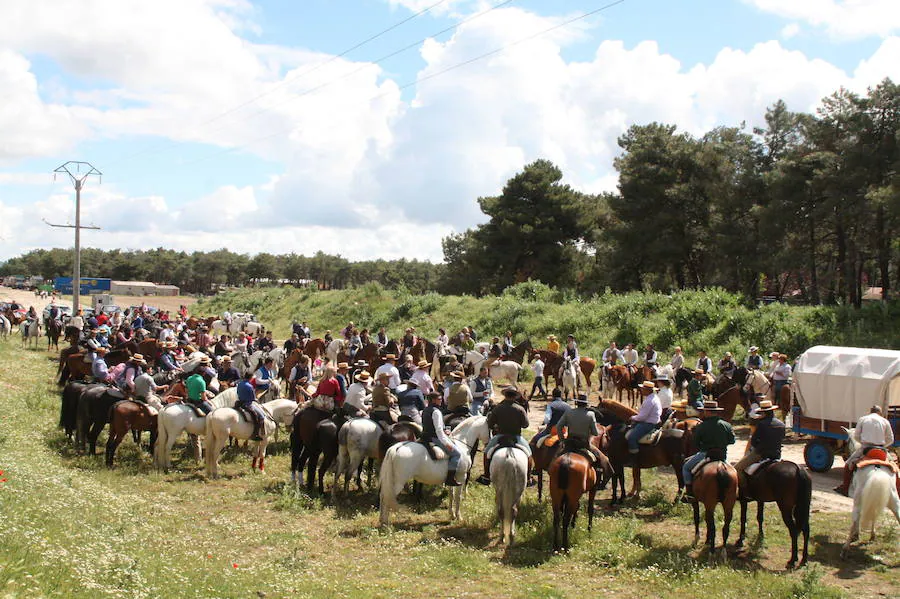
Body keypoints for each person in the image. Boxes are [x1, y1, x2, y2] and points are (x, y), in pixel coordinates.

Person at [681, 400, 735, 502]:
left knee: (686, 468)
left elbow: (696, 443)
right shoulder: (727, 425)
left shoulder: (701, 426)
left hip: (705, 454)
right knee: (734, 471)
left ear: (708, 412)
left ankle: (690, 494)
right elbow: (732, 441)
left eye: (704, 411)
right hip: (722, 455)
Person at [834, 405, 895, 496]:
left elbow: (856, 436)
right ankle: (897, 491)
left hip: (866, 448)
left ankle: (845, 488)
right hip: (881, 449)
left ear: (870, 411)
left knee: (848, 464)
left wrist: (862, 443)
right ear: (880, 412)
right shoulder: (885, 421)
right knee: (894, 466)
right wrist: (882, 445)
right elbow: (890, 439)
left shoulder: (863, 419)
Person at [477, 387, 531, 485]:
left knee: (486, 453)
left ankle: (486, 476)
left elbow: (490, 424)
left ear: (505, 395)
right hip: (516, 437)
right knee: (529, 454)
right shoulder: (520, 409)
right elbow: (526, 425)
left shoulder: (498, 408)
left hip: (500, 437)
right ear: (515, 396)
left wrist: (497, 426)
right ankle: (528, 478)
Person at [733, 400, 784, 490]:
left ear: (764, 413)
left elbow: (753, 442)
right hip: (776, 453)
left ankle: (744, 490)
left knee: (737, 468)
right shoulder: (781, 424)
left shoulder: (761, 424)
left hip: (761, 454)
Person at [556, 394, 607, 476]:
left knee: (556, 457)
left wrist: (562, 440)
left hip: (569, 443)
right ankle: (603, 474)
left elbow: (559, 426)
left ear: (577, 403)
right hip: (584, 444)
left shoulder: (568, 412)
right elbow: (595, 433)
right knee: (603, 459)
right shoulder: (591, 414)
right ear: (586, 404)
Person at [420, 391, 462, 486]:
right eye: (439, 399)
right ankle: (450, 479)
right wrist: (447, 444)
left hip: (424, 436)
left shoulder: (425, 409)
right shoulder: (436, 411)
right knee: (456, 454)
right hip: (435, 438)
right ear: (433, 400)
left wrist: (444, 430)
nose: (441, 400)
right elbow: (438, 431)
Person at [626, 381, 662, 458]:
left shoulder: (649, 401)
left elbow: (642, 417)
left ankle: (634, 458)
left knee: (632, 437)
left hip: (648, 424)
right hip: (655, 421)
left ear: (647, 390)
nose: (641, 390)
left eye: (642, 389)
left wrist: (632, 417)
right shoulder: (655, 397)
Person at [234, 373, 265, 441]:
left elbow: (238, 393)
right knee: (262, 416)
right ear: (250, 378)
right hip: (248, 404)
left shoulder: (239, 383)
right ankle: (256, 433)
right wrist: (257, 399)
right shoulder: (249, 386)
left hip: (239, 402)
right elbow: (253, 398)